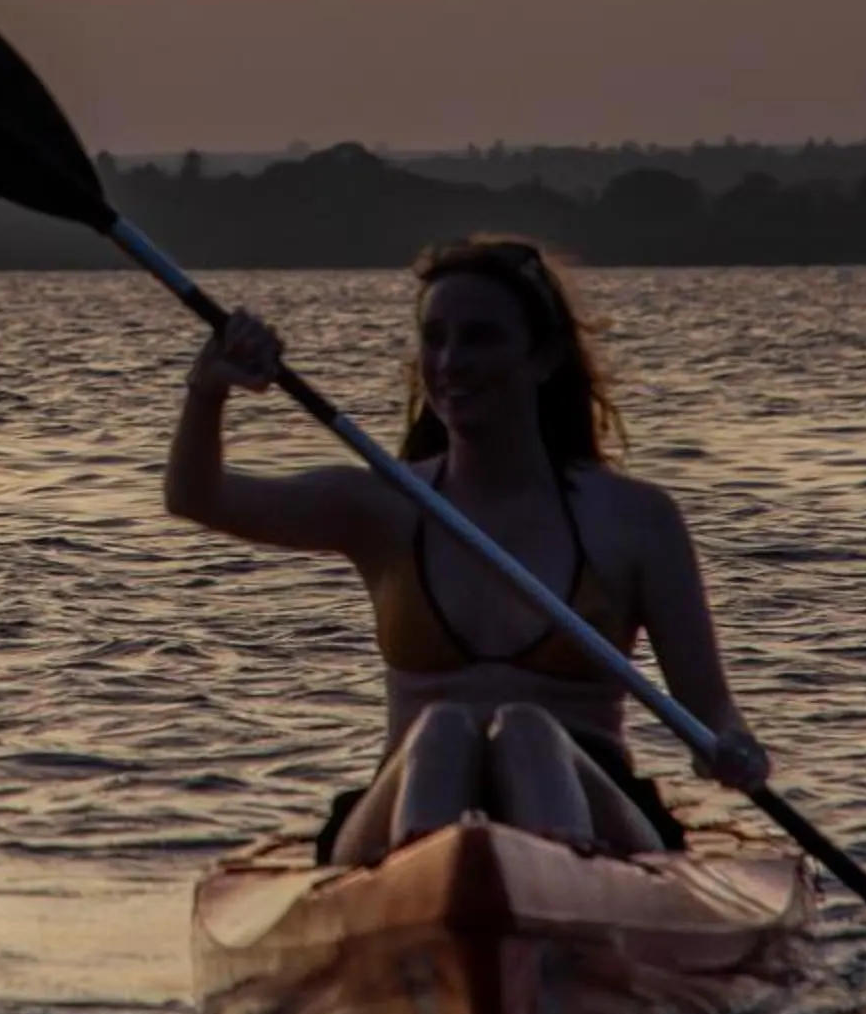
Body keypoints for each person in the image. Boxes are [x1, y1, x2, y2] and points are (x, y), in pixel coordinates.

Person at [164, 236, 769, 863]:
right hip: (407, 817)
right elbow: (196, 497)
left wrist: (733, 748)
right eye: (435, 338)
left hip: (596, 816)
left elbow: (712, 711)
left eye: (480, 338)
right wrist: (208, 391)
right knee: (445, 730)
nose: (450, 361)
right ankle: (433, 904)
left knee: (528, 732)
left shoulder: (637, 520)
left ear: (544, 357)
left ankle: (550, 903)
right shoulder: (382, 507)